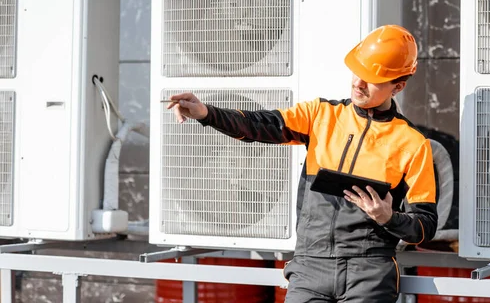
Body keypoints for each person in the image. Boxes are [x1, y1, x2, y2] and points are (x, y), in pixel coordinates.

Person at [168, 24, 438, 303]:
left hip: (369, 272)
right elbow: (259, 125)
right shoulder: (321, 115)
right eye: (358, 71)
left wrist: (388, 217)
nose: (358, 83)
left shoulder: (413, 144)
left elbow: (425, 226)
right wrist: (207, 113)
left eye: (372, 78)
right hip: (310, 266)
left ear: (399, 86)